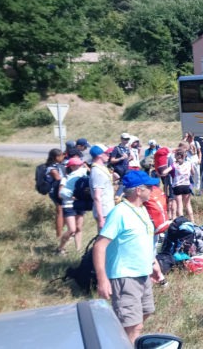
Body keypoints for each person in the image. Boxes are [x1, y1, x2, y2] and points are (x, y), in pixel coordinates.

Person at [93, 170, 164, 344]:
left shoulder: (141, 210)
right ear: (138, 190)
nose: (152, 190)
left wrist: (153, 265)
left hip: (143, 273)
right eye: (149, 187)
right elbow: (99, 246)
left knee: (145, 312)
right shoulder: (119, 213)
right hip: (125, 276)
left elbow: (143, 241)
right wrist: (102, 280)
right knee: (134, 326)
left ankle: (119, 338)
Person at [57, 157, 87, 254]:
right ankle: (60, 248)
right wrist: (73, 197)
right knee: (72, 229)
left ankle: (78, 250)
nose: (81, 166)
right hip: (69, 205)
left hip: (80, 204)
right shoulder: (65, 178)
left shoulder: (82, 178)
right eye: (79, 165)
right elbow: (60, 194)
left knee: (79, 228)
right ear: (73, 167)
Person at [90, 145, 115, 231]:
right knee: (105, 240)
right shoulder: (97, 172)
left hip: (108, 208)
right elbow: (97, 196)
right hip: (104, 211)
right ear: (99, 155)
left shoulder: (102, 168)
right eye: (107, 153)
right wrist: (101, 219)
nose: (109, 155)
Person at [45, 148, 66, 238]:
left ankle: (62, 231)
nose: (63, 157)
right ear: (56, 157)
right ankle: (59, 235)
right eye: (61, 156)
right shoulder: (52, 168)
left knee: (64, 211)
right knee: (60, 211)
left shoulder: (58, 165)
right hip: (56, 191)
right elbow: (59, 179)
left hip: (61, 189)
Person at [171, 149, 195, 222]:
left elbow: (168, 172)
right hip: (186, 185)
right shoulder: (189, 163)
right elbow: (193, 173)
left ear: (178, 156)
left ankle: (181, 221)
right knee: (188, 204)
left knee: (179, 205)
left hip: (177, 186)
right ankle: (192, 220)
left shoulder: (175, 164)